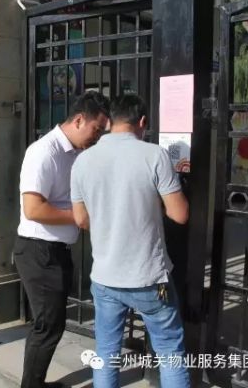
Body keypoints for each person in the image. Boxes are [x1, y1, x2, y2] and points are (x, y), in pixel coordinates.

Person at [70, 94, 190, 388]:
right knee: (170, 353)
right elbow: (180, 214)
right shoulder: (155, 155)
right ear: (142, 122)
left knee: (106, 353)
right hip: (149, 277)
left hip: (105, 278)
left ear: (109, 121)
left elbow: (81, 219)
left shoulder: (83, 160)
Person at [14, 91, 110, 388]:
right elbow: (33, 209)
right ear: (79, 120)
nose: (98, 137)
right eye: (96, 129)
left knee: (52, 323)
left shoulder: (76, 153)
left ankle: (36, 382)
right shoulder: (44, 152)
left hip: (56, 251)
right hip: (39, 251)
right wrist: (78, 217)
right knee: (47, 326)